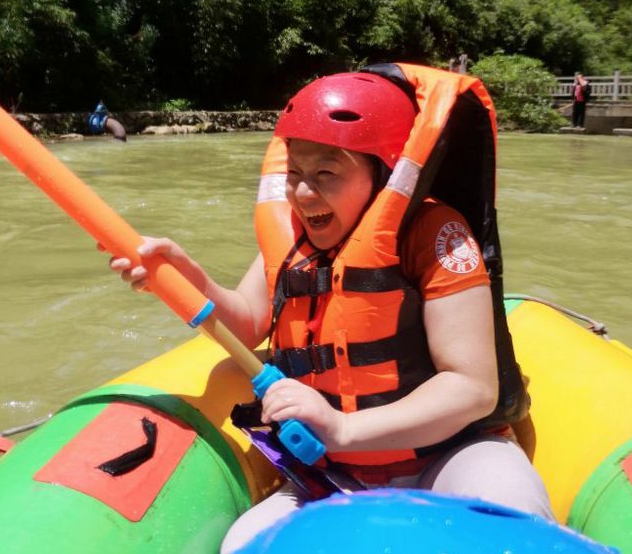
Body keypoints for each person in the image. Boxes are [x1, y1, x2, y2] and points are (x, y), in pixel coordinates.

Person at [105, 63, 553, 553]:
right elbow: (247, 324)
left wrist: (343, 428)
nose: (302, 193)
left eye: (326, 173)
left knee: (511, 513)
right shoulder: (293, 240)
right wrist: (186, 279)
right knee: (244, 545)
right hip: (330, 472)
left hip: (448, 457)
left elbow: (473, 388)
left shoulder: (436, 234)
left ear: (382, 174)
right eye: (294, 173)